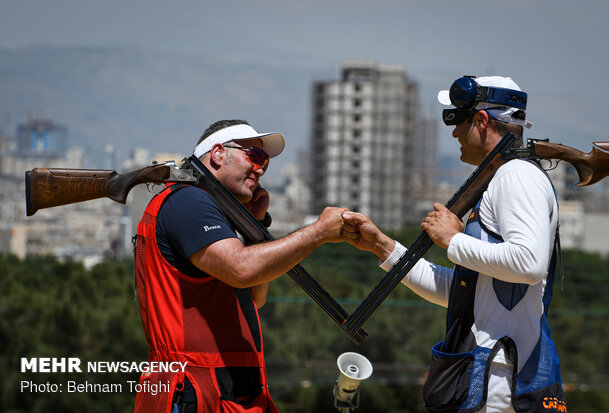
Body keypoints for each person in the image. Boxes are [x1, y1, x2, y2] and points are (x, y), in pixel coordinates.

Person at [342, 76, 566, 413]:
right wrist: (384, 248)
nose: (454, 132)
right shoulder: (507, 176)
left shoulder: (516, 175)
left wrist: (452, 240)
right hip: (494, 378)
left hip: (498, 383)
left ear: (481, 120)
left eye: (457, 120)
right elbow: (468, 294)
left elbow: (529, 264)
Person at [133, 119, 351, 413]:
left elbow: (254, 297)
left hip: (224, 390)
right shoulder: (189, 201)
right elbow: (240, 269)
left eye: (266, 162)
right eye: (255, 156)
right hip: (194, 392)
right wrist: (318, 232)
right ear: (219, 154)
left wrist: (254, 229)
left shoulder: (207, 208)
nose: (261, 169)